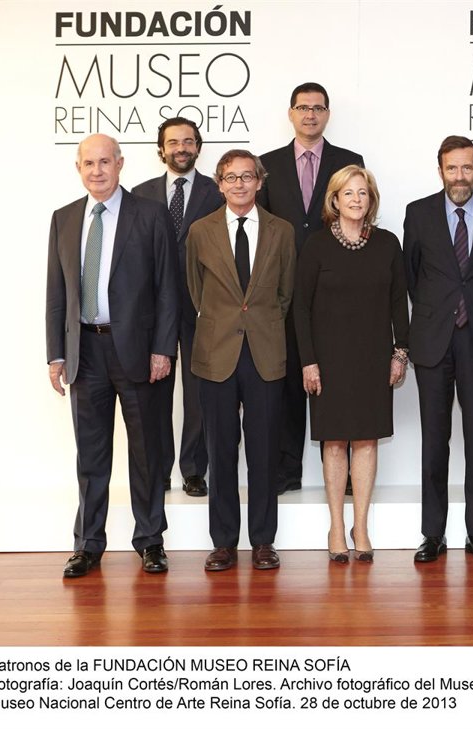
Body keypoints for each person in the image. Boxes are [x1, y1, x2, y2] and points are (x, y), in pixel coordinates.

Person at [46, 134, 178, 577]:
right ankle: (87, 545)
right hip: (84, 352)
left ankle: (151, 541)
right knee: (91, 455)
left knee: (147, 453)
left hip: (138, 353)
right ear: (78, 168)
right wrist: (56, 354)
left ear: (120, 164)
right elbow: (57, 293)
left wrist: (163, 348)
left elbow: (168, 288)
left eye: (105, 162)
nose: (97, 171)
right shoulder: (64, 219)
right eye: (89, 163)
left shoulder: (150, 214)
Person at [404, 135, 473, 563]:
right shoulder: (418, 213)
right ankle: (432, 534)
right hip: (434, 341)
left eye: (467, 168)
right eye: (451, 168)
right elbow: (413, 276)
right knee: (434, 442)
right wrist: (442, 310)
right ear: (440, 171)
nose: (459, 176)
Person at [186, 150, 295, 572]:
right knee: (220, 451)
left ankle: (264, 541)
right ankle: (224, 543)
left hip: (264, 353)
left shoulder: (282, 231)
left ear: (260, 182)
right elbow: (197, 292)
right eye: (230, 177)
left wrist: (257, 323)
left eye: (247, 176)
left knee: (264, 451)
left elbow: (284, 294)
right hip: (216, 354)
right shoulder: (200, 231)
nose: (239, 184)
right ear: (219, 184)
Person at [293, 166, 409, 563]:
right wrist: (308, 361)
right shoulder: (316, 245)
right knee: (334, 442)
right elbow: (300, 308)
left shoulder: (388, 244)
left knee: (366, 440)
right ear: (335, 200)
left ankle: (360, 526)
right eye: (349, 193)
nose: (357, 199)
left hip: (373, 358)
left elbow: (399, 302)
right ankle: (336, 527)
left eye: (363, 192)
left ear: (371, 199)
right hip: (328, 360)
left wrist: (400, 352)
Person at [258, 82, 365, 495]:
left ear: (327, 114)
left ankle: (344, 475)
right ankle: (287, 471)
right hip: (284, 290)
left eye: (318, 108)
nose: (310, 114)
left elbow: (356, 220)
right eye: (303, 107)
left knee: (338, 382)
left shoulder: (349, 161)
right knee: (288, 383)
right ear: (291, 113)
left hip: (335, 288)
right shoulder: (268, 164)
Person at [132, 116, 224, 498]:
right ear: (161, 149)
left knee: (199, 393)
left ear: (198, 148)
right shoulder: (139, 194)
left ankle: (194, 470)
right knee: (155, 392)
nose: (181, 148)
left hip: (201, 305)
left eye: (188, 141)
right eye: (173, 142)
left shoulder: (217, 193)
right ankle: (158, 470)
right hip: (152, 309)